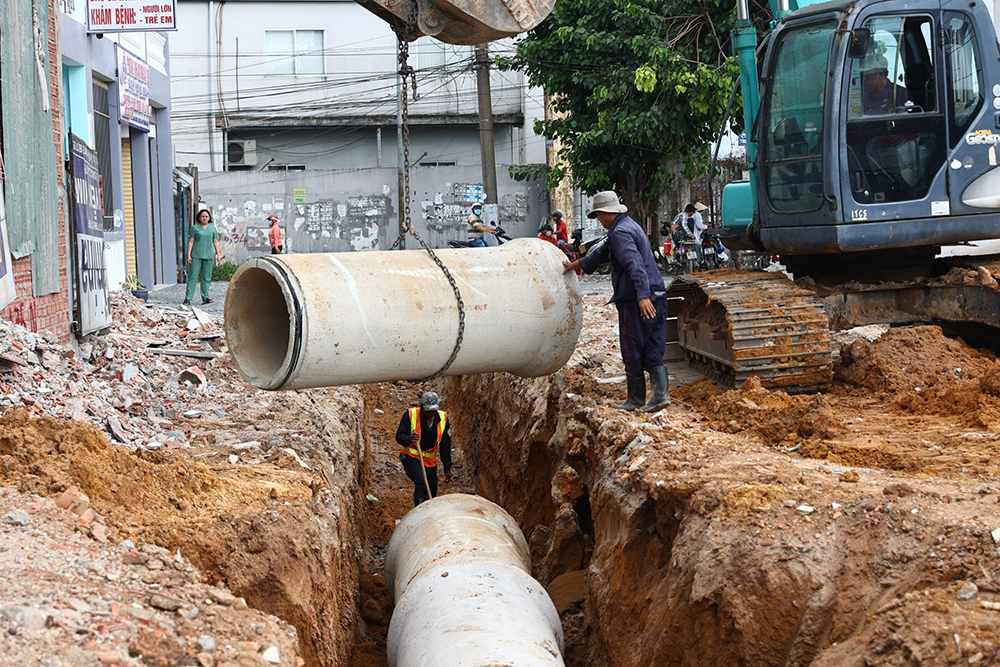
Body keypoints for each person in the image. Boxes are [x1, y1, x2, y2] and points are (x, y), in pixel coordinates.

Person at [563, 191, 670, 413]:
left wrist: (641, 296)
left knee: (632, 347)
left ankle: (635, 400)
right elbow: (602, 253)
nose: (599, 221)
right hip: (658, 295)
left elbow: (634, 265)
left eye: (599, 216)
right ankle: (660, 395)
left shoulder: (619, 232)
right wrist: (579, 264)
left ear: (606, 213)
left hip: (636, 300)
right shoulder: (628, 226)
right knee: (652, 345)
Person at [395, 391, 453, 506]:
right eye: (428, 411)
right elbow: (399, 436)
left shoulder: (443, 418)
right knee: (421, 481)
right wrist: (409, 439)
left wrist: (447, 467)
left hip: (430, 462)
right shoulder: (410, 415)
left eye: (433, 410)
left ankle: (429, 511)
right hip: (411, 457)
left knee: (432, 487)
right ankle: (419, 510)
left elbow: (445, 445)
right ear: (422, 407)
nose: (431, 413)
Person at [184, 209, 222, 306]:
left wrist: (218, 254)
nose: (204, 218)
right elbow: (191, 241)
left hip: (209, 255)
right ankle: (188, 298)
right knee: (193, 276)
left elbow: (216, 241)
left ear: (209, 218)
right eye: (202, 216)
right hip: (196, 255)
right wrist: (188, 255)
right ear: (199, 218)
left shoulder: (212, 228)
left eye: (206, 216)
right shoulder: (195, 228)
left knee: (206, 277)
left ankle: (206, 297)